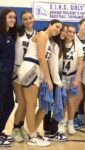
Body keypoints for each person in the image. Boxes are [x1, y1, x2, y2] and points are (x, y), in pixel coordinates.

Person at [18, 19, 62, 146]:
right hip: (31, 68)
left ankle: (33, 132)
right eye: (56, 26)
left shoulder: (48, 40)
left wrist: (46, 77)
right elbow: (41, 57)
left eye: (60, 28)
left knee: (38, 105)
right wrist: (48, 79)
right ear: (49, 25)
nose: (58, 30)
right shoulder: (42, 34)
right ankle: (32, 136)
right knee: (31, 105)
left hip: (37, 70)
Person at [11, 10, 34, 142]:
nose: (28, 21)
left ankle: (20, 127)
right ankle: (15, 129)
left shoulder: (37, 35)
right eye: (25, 19)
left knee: (28, 104)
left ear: (33, 18)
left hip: (30, 72)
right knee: (22, 103)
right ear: (22, 21)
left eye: (30, 18)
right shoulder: (17, 33)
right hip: (17, 70)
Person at [43, 24, 68, 141]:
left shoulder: (58, 44)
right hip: (53, 79)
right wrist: (58, 82)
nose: (63, 33)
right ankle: (52, 131)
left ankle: (48, 131)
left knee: (48, 106)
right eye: (62, 30)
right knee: (58, 106)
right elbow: (53, 66)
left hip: (52, 77)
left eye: (65, 31)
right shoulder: (54, 45)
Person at [60, 25, 83, 135]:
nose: (71, 34)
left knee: (71, 102)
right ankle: (61, 122)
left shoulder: (78, 46)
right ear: (65, 32)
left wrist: (77, 78)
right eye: (69, 31)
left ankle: (70, 123)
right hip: (62, 76)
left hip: (73, 76)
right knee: (62, 102)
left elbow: (80, 63)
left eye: (74, 32)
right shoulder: (60, 44)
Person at [0, 8, 17, 147]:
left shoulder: (10, 35)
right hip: (1, 76)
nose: (12, 19)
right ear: (4, 18)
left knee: (10, 104)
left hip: (8, 77)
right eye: (10, 17)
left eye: (14, 17)